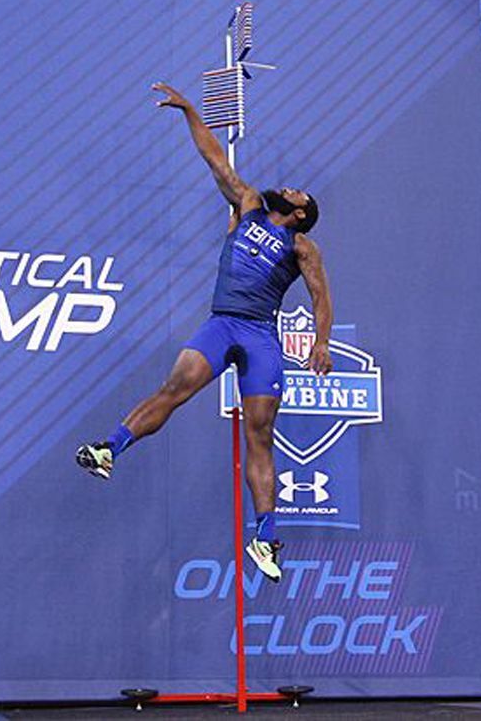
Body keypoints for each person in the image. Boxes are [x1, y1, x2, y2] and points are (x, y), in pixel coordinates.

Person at [75, 82, 334, 583]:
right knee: (174, 388)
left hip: (260, 337)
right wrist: (191, 111)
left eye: (302, 194)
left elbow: (322, 299)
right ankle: (110, 448)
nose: (293, 187)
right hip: (222, 324)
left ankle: (264, 537)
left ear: (302, 213)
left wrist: (321, 341)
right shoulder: (248, 205)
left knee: (259, 437)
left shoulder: (302, 247)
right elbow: (215, 159)